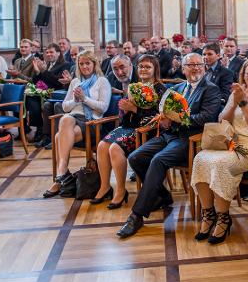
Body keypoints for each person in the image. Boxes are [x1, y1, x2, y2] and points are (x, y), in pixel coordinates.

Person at [117, 53, 222, 238]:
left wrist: (176, 119)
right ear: (183, 69)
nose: (195, 68)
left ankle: (137, 215)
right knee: (135, 157)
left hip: (190, 140)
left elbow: (207, 117)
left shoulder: (210, 89)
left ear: (204, 68)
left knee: (158, 161)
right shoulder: (178, 88)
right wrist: (164, 118)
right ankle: (162, 196)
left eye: (199, 64)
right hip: (168, 134)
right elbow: (164, 109)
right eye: (190, 65)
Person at [191, 58, 248, 244]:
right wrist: (233, 102)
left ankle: (224, 218)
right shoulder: (238, 92)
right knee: (200, 158)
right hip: (232, 143)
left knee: (220, 163)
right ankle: (209, 214)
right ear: (243, 76)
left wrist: (243, 104)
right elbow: (223, 120)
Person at [93, 55, 166, 208]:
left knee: (115, 148)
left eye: (147, 67)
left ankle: (120, 190)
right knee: (102, 146)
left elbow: (158, 118)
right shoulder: (134, 87)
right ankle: (105, 186)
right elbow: (124, 120)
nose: (143, 70)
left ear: (155, 69)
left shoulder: (160, 88)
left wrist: (134, 109)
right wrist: (125, 111)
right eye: (141, 67)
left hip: (147, 131)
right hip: (129, 126)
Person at [43, 52, 111, 197]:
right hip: (73, 120)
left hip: (92, 122)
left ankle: (60, 176)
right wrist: (75, 100)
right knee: (66, 119)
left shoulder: (102, 81)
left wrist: (84, 98)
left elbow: (103, 107)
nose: (85, 66)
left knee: (57, 136)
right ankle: (62, 173)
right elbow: (65, 106)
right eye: (81, 64)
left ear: (94, 64)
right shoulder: (75, 81)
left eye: (88, 63)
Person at [25, 44, 72, 148]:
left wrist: (44, 71)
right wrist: (37, 72)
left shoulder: (65, 65)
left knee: (46, 104)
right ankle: (41, 131)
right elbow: (35, 82)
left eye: (51, 52)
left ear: (58, 53)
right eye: (47, 52)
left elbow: (58, 83)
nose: (49, 54)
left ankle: (47, 134)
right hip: (44, 92)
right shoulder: (46, 64)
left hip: (56, 94)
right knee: (30, 97)